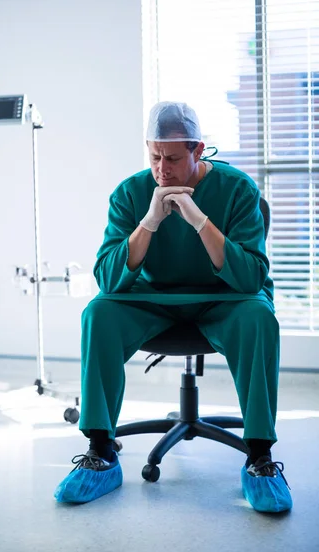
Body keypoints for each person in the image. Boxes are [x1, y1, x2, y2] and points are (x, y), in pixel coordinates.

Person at [54, 101, 292, 513]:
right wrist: (148, 223)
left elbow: (251, 276)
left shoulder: (238, 190)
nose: (162, 169)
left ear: (198, 150)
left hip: (225, 299)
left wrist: (200, 221)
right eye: (155, 157)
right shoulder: (130, 193)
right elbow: (110, 278)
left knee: (259, 318)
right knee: (99, 313)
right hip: (155, 301)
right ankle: (100, 451)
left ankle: (259, 458)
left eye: (174, 158)